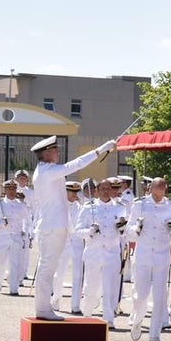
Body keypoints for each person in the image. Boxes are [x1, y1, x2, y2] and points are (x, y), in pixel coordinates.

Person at [29, 135, 118, 320]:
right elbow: (75, 165)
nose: (58, 152)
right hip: (52, 226)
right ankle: (42, 309)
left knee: (49, 268)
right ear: (46, 153)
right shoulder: (46, 170)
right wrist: (100, 150)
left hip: (55, 225)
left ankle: (44, 307)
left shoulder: (47, 170)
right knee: (47, 268)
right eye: (54, 150)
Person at [128, 177, 171, 341]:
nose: (158, 196)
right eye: (155, 193)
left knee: (159, 296)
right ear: (150, 189)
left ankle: (154, 334)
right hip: (143, 254)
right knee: (140, 294)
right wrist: (137, 229)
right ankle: (137, 319)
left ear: (164, 191)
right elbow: (128, 229)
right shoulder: (140, 204)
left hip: (162, 254)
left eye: (161, 193)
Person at [77, 177, 125, 328]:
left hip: (111, 253)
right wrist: (89, 231)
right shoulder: (88, 208)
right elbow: (78, 230)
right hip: (94, 252)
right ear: (96, 191)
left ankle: (109, 318)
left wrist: (122, 228)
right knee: (90, 286)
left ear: (112, 190)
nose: (105, 192)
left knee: (110, 287)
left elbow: (124, 230)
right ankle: (87, 314)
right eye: (102, 189)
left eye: (108, 189)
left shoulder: (119, 208)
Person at [0, 180, 31, 296]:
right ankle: (0, 279)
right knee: (1, 262)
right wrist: (0, 222)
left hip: (16, 238)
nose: (11, 191)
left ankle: (14, 288)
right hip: (3, 237)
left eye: (13, 189)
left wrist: (27, 232)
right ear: (5, 190)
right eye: (9, 189)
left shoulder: (21, 205)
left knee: (15, 263)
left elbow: (28, 220)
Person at [55, 181, 86, 314]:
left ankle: (75, 305)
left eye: (76, 192)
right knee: (59, 273)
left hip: (77, 243)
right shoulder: (58, 205)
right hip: (62, 242)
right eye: (72, 192)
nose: (75, 195)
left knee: (78, 275)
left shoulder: (81, 206)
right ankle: (56, 298)